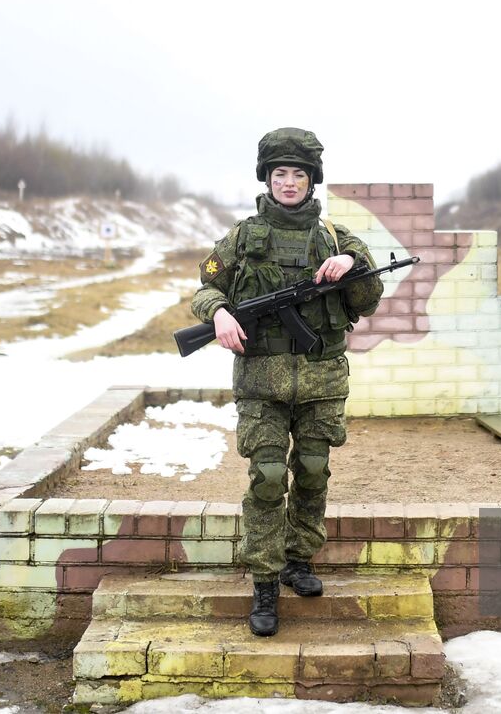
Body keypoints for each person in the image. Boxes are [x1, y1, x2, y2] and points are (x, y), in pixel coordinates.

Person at [189, 127, 383, 637]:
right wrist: (219, 315)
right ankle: (265, 581)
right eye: (281, 173)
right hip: (261, 383)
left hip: (320, 381)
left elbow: (368, 301)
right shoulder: (243, 237)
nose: (290, 182)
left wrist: (354, 268)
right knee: (269, 478)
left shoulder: (338, 239)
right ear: (268, 179)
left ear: (311, 179)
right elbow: (204, 289)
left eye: (298, 173)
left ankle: (299, 560)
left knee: (314, 472)